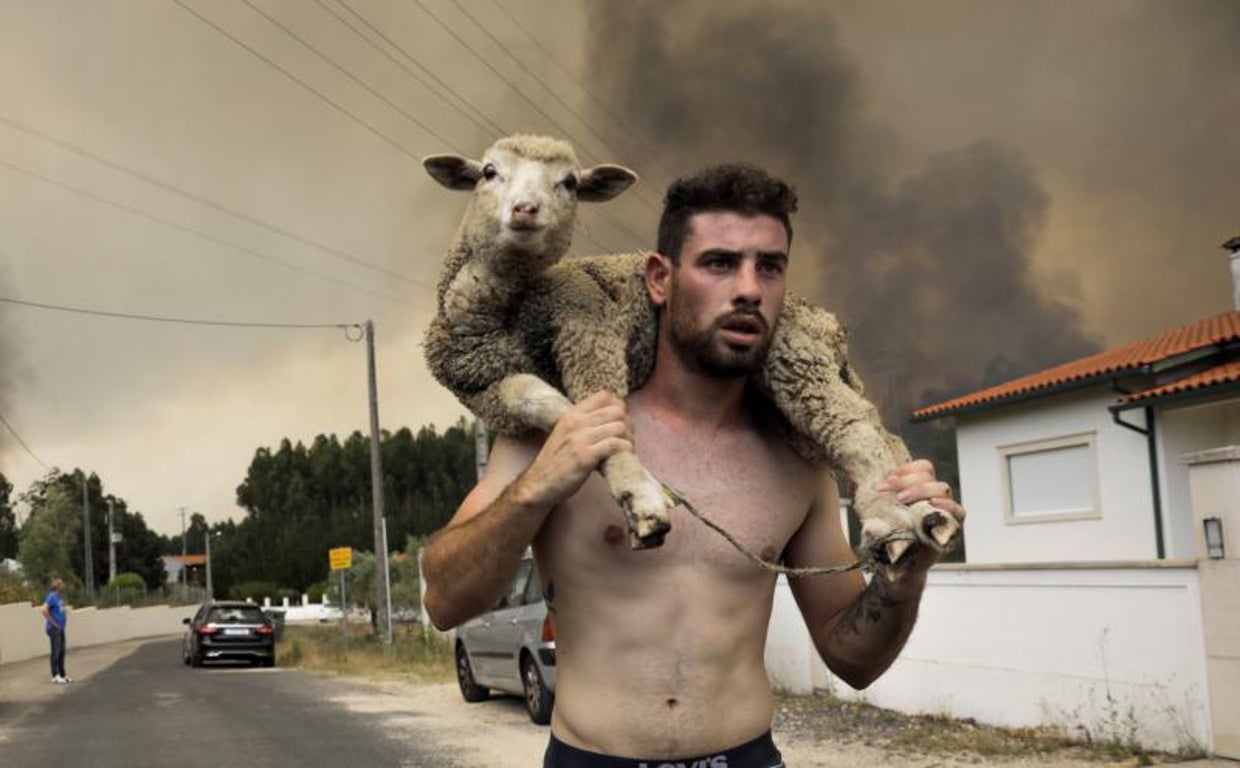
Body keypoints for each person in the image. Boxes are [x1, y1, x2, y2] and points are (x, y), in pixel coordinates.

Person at [421, 163, 965, 768]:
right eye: (719, 263)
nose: (749, 288)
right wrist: (536, 489)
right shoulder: (563, 431)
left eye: (770, 266)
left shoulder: (795, 458)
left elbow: (853, 659)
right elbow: (443, 600)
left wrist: (905, 576)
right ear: (660, 278)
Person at [40, 576, 72, 684]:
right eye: (62, 584)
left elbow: (59, 609)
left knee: (62, 651)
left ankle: (63, 674)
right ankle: (55, 675)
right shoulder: (51, 596)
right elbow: (43, 609)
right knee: (56, 651)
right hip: (54, 629)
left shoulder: (59, 597)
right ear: (57, 586)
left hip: (61, 628)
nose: (64, 586)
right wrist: (53, 623)